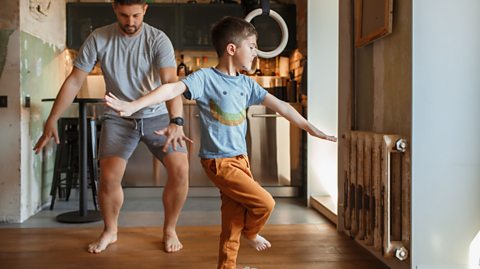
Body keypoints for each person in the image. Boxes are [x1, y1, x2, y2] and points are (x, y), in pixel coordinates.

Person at [104, 16, 337, 269]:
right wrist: (133, 105)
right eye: (252, 46)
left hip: (241, 160)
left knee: (232, 223)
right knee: (265, 202)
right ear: (231, 49)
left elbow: (281, 106)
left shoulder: (247, 84)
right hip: (219, 162)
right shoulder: (205, 78)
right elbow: (171, 89)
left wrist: (310, 127)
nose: (255, 54)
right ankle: (252, 233)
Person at [33, 0, 190, 254]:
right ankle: (110, 230)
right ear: (115, 8)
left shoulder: (158, 39)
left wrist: (176, 121)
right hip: (119, 118)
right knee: (108, 177)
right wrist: (52, 119)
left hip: (157, 116)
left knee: (181, 169)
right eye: (124, 15)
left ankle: (170, 229)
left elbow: (171, 82)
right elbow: (74, 81)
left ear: (145, 10)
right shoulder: (99, 38)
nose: (130, 22)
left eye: (136, 15)